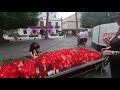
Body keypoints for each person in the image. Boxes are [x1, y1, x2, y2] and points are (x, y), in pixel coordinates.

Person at [101, 14, 120, 78]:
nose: (117, 21)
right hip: (114, 63)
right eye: (116, 19)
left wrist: (112, 52)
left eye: (118, 18)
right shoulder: (118, 30)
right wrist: (110, 48)